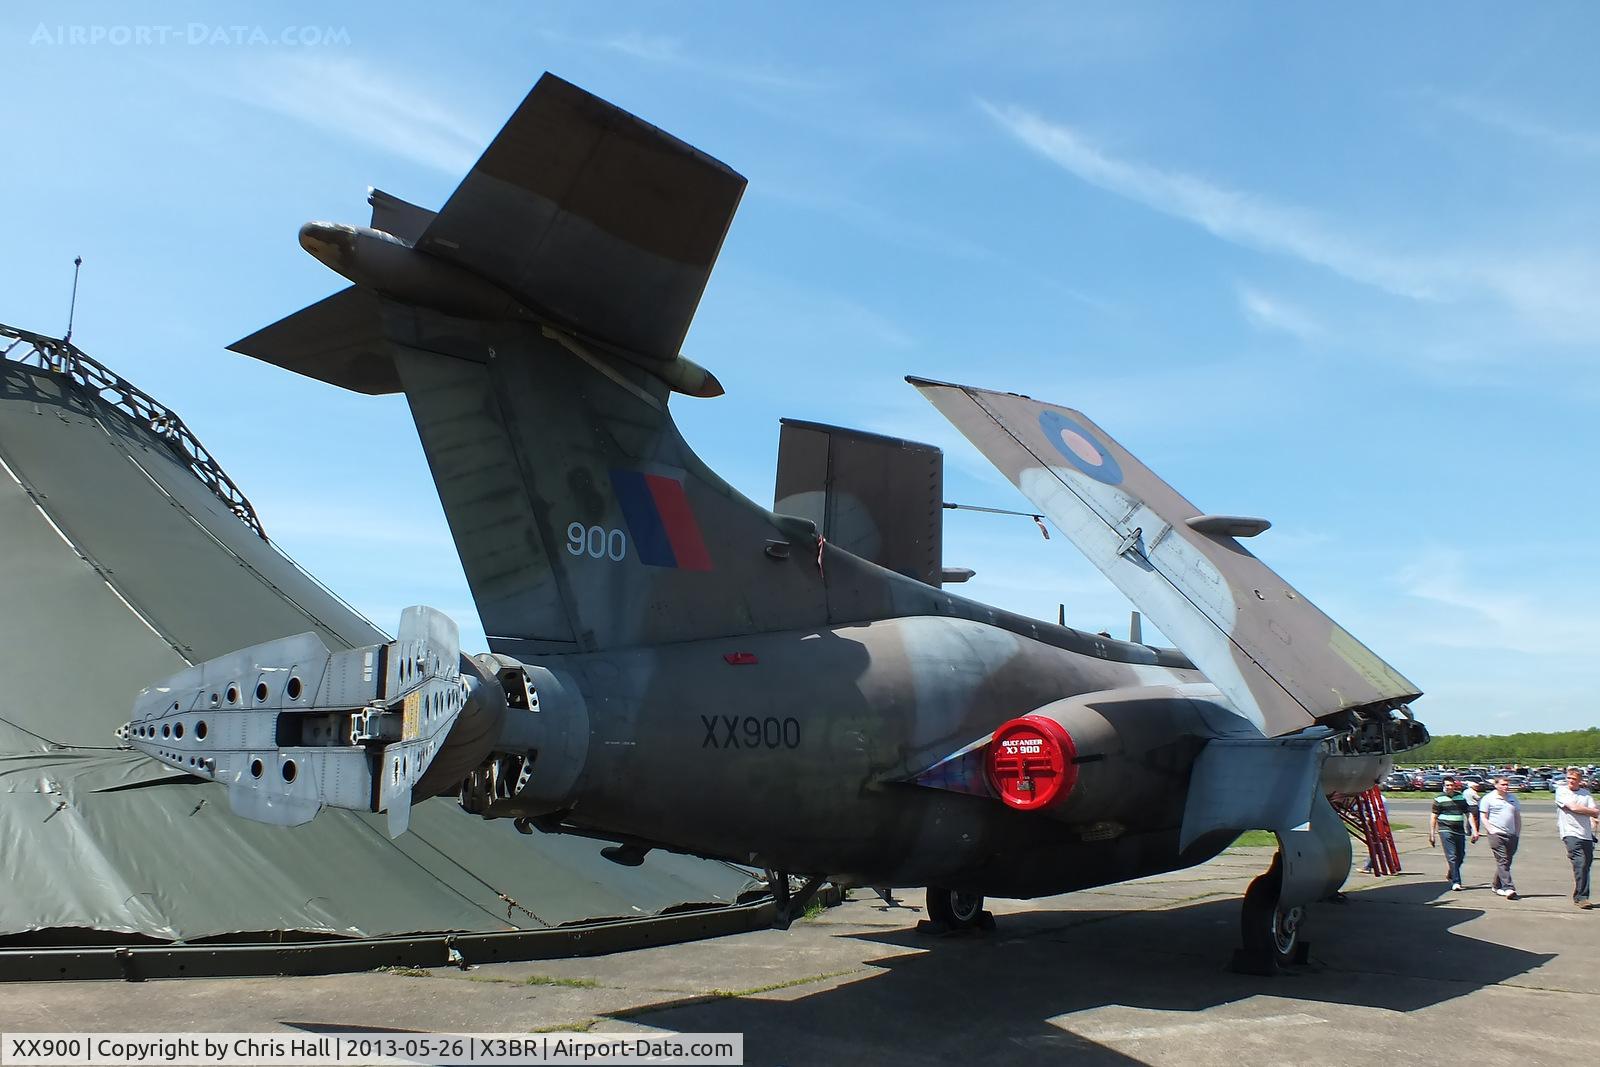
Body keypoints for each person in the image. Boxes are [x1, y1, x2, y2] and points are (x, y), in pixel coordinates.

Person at [1554, 767, 1598, 909]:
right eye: (1569, 778)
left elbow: (1595, 811)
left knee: (1586, 866)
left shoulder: (1585, 794)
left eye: (1574, 779)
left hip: (1586, 834)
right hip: (1570, 833)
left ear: (1580, 780)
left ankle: (1580, 894)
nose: (1571, 781)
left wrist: (1588, 812)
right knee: (1580, 862)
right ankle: (1581, 897)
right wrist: (1587, 811)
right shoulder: (1561, 791)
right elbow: (1573, 808)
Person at [1429, 777, 1479, 891]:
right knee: (1452, 856)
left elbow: (1468, 814)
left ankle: (1452, 872)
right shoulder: (1439, 798)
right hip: (1445, 829)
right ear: (1443, 786)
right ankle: (1456, 882)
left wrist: (1474, 830)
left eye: (1452, 785)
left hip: (1459, 830)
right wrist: (1431, 834)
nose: (1450, 787)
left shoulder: (1460, 797)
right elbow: (1434, 816)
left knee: (1460, 855)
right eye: (1447, 785)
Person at [1478, 776, 1522, 899]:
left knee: (1507, 861)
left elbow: (1517, 816)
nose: (1506, 787)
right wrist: (1491, 830)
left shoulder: (1512, 798)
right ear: (1496, 785)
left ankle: (1496, 885)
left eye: (1507, 784)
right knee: (1502, 860)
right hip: (1496, 834)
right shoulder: (1488, 799)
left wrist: (1517, 832)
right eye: (1503, 784)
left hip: (1512, 834)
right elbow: (1484, 817)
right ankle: (1508, 887)